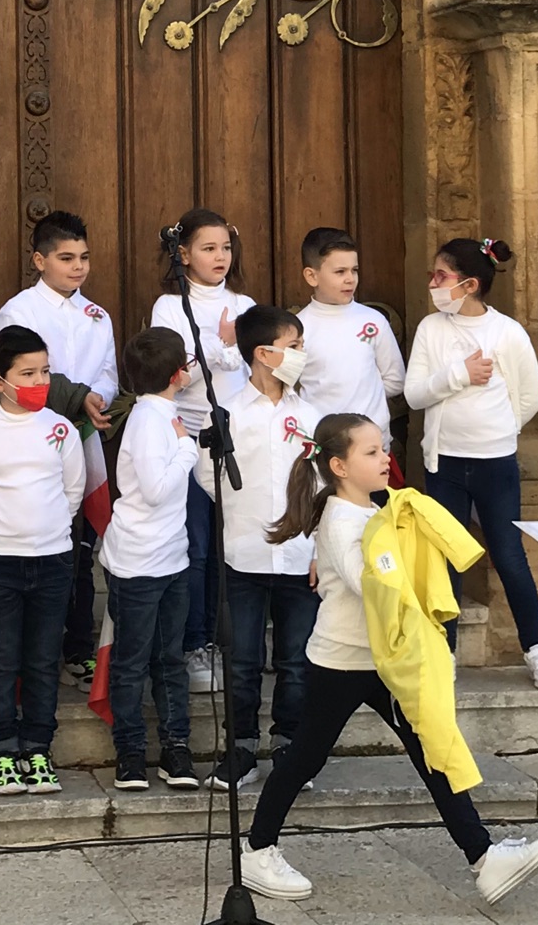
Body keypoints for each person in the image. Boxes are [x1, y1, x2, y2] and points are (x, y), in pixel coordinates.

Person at [237, 414, 538, 906]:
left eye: (382, 448)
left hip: (387, 663)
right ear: (340, 466)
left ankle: (483, 857)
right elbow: (373, 583)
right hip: (344, 662)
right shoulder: (343, 520)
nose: (385, 457)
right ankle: (257, 850)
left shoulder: (375, 509)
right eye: (371, 452)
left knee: (432, 747)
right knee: (305, 756)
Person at [405, 238, 538, 690]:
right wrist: (459, 375)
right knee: (448, 558)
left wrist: (501, 428)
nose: (433, 284)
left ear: (469, 285)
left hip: (495, 462)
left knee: (509, 555)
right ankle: (444, 651)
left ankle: (537, 649)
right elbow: (415, 394)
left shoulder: (507, 332)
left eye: (441, 277)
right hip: (445, 463)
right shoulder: (432, 330)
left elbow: (530, 395)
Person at [0, 325, 85, 796]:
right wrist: (0, 533)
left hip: (51, 560)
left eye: (44, 371)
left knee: (44, 657)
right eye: (27, 373)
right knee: (2, 657)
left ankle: (38, 749)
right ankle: (3, 750)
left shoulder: (60, 428)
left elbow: (73, 492)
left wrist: (45, 532)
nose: (39, 381)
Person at [0, 210, 119, 695]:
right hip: (34, 438)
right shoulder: (20, 310)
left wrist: (98, 397)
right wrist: (75, 394)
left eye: (84, 257)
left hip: (83, 436)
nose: (78, 267)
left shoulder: (97, 315)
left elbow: (108, 372)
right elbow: (20, 371)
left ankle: (78, 648)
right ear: (39, 260)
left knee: (81, 548)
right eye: (66, 258)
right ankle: (34, 653)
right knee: (46, 542)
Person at [197, 305, 320, 792]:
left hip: (298, 557)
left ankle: (289, 742)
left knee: (296, 658)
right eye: (294, 347)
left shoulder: (310, 415)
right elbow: (208, 476)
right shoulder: (227, 413)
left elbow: (325, 482)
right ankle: (241, 747)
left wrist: (318, 549)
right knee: (242, 658)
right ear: (263, 354)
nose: (301, 355)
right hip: (243, 556)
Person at [148, 207, 255, 691]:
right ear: (184, 253)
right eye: (208, 248)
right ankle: (191, 644)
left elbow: (254, 370)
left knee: (228, 546)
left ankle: (224, 639)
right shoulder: (170, 306)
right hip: (188, 439)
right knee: (195, 548)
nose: (219, 257)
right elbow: (178, 370)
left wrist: (231, 349)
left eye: (225, 248)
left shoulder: (244, 302)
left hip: (236, 441)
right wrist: (223, 346)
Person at [98, 327, 197, 793]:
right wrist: (188, 450)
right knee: (132, 661)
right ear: (180, 374)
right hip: (138, 562)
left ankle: (176, 748)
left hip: (170, 557)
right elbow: (157, 491)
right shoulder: (151, 422)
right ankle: (131, 753)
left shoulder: (161, 414)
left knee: (169, 658)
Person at [295, 227, 405, 452]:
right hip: (323, 447)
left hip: (374, 446)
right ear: (312, 276)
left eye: (354, 270)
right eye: (340, 272)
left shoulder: (373, 322)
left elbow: (395, 379)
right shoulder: (299, 328)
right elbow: (286, 389)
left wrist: (364, 397)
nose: (350, 279)